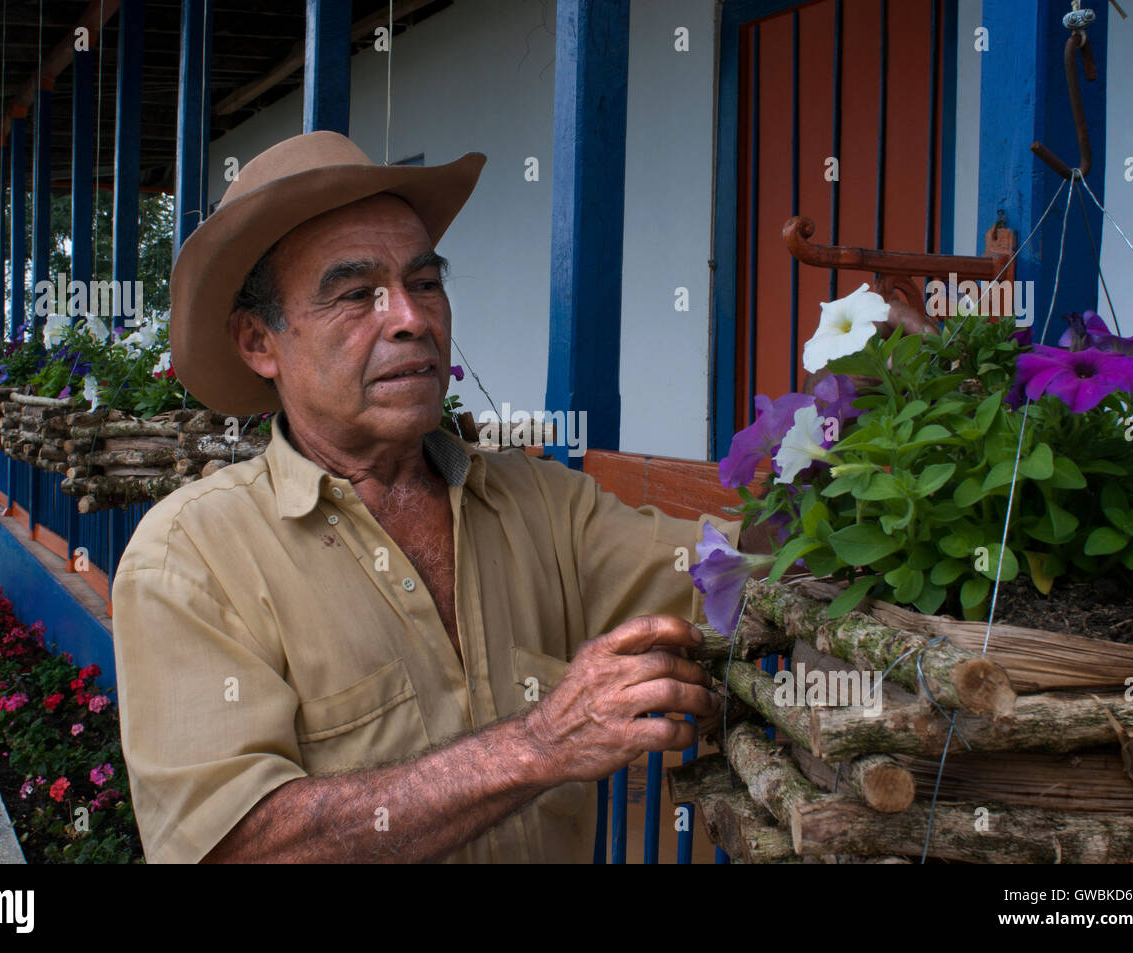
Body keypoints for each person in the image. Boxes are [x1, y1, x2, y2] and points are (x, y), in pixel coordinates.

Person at [111, 131, 772, 864]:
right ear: (259, 342)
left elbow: (741, 569)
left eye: (425, 282)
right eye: (356, 293)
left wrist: (867, 441)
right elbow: (237, 847)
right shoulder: (193, 557)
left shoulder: (543, 506)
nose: (412, 319)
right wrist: (538, 743)